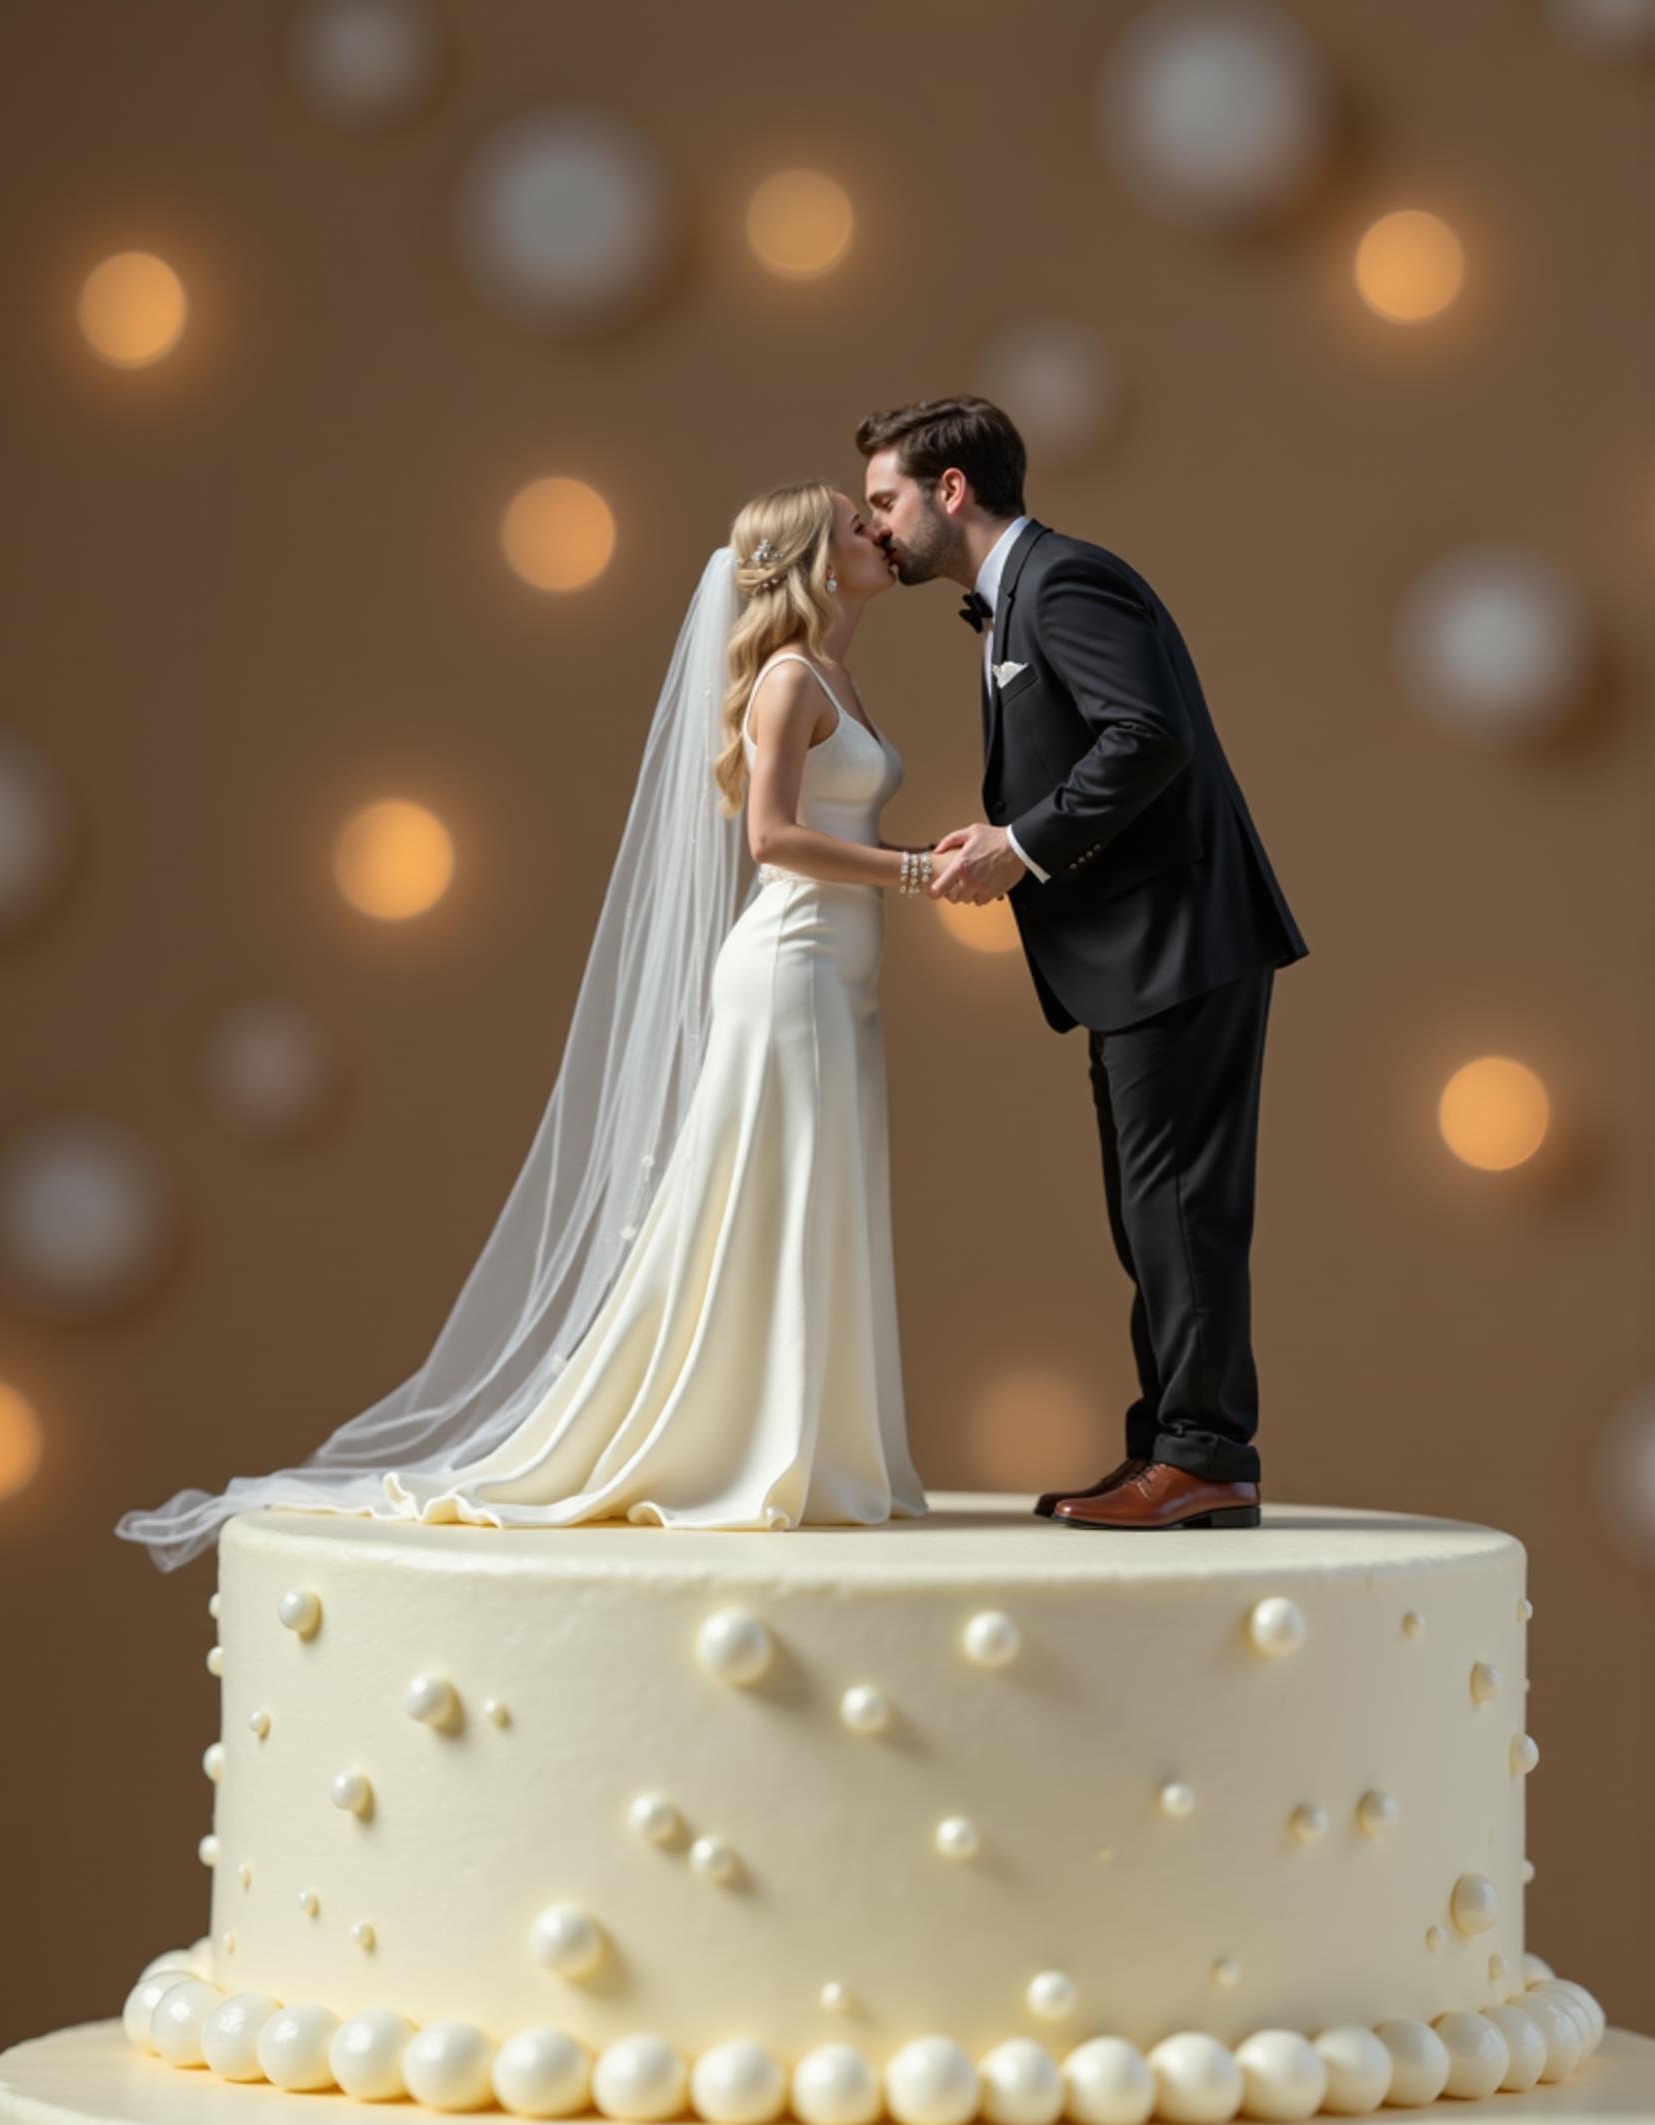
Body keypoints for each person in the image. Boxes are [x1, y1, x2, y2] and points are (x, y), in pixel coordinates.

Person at [116, 482, 944, 1568]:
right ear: (807, 560)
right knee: (774, 1187)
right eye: (853, 524)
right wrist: (917, 867)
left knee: (817, 1183)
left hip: (839, 970)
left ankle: (812, 1443)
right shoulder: (788, 681)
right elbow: (773, 838)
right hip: (789, 965)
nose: (876, 533)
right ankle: (759, 1447)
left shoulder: (836, 671)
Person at [858, 394, 1310, 1532]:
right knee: (1147, 1208)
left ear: (948, 490)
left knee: (1179, 1204)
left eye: (884, 500)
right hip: (1139, 949)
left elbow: (1146, 734)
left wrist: (1019, 845)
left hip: (1174, 940)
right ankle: (1168, 1447)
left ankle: (1204, 1455)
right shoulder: (1021, 594)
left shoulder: (1061, 581)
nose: (876, 528)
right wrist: (1005, 831)